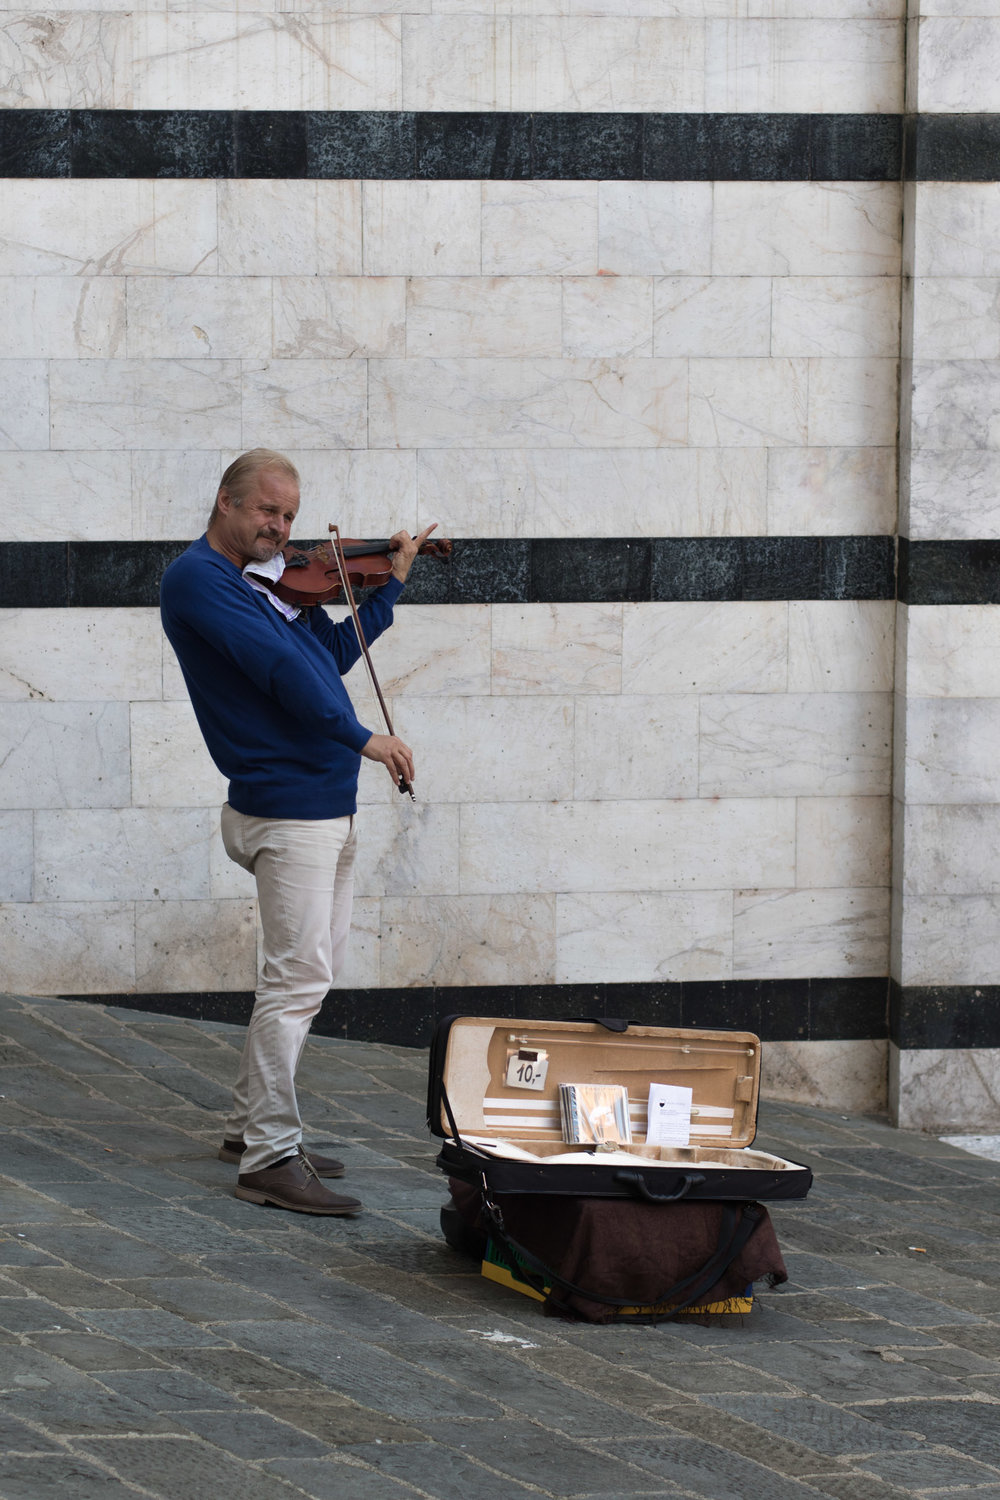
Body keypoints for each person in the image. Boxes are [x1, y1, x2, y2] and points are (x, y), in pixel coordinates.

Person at [160, 448, 433, 1216]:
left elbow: (327, 658)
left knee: (301, 976)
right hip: (284, 809)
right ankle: (270, 1156)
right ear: (225, 502)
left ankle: (250, 1126)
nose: (280, 530)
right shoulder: (201, 582)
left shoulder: (268, 585)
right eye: (265, 512)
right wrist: (363, 739)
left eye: (288, 516)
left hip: (319, 803)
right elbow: (282, 672)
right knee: (297, 982)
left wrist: (390, 589)